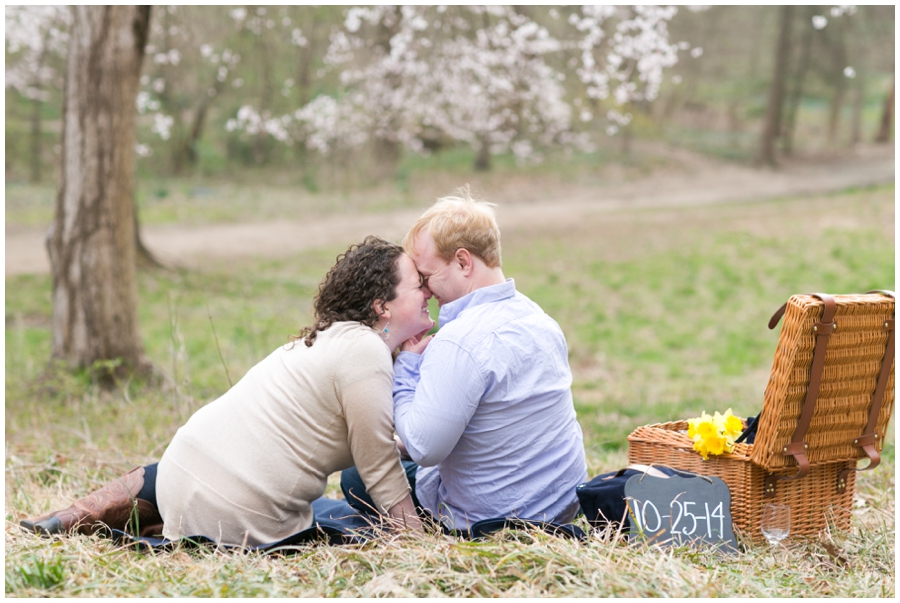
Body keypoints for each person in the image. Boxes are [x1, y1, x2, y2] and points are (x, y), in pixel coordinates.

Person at [21, 236, 432, 546]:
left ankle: (76, 517)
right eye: (418, 285)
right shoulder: (364, 352)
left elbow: (371, 440)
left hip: (178, 470)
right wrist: (416, 542)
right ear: (383, 306)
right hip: (239, 516)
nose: (428, 291)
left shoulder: (332, 340)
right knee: (341, 519)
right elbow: (378, 466)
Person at [341, 190, 588, 531]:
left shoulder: (462, 342)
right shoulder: (538, 318)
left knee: (355, 478)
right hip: (558, 506)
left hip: (491, 519)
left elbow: (425, 448)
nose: (425, 291)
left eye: (427, 276)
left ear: (463, 262)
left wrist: (406, 369)